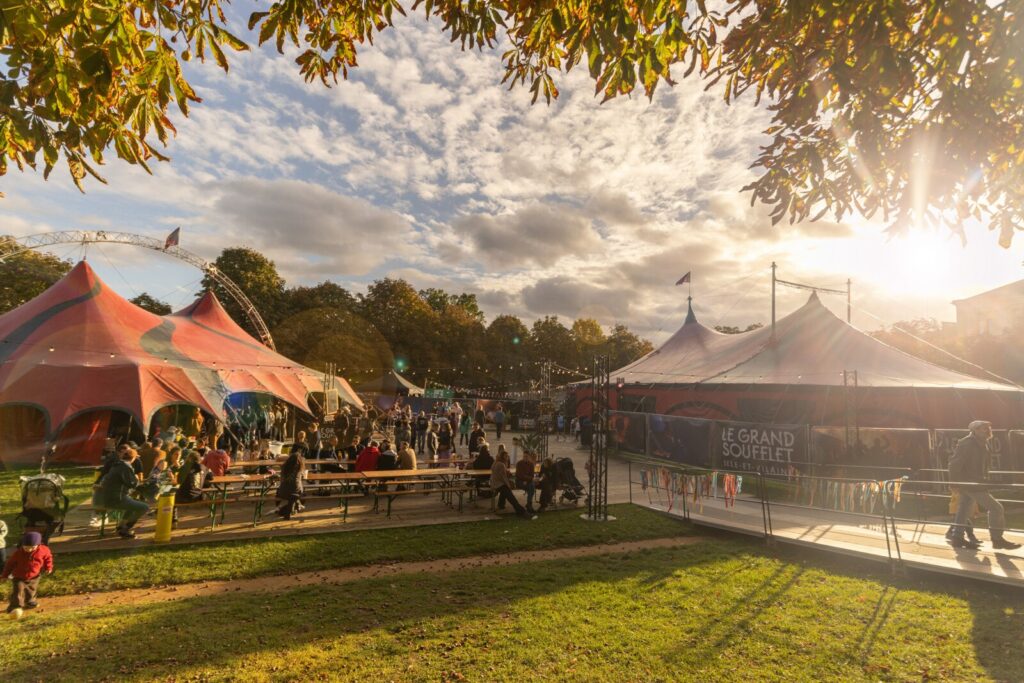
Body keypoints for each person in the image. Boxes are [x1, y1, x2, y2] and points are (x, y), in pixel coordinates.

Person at [948, 420, 1021, 550]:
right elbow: (954, 464)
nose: (987, 430)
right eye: (983, 428)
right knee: (996, 508)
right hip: (971, 483)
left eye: (988, 427)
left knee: (963, 509)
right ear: (975, 430)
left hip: (975, 482)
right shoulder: (967, 443)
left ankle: (957, 538)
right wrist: (954, 483)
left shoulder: (982, 442)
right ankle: (997, 539)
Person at [94, 448, 149, 539]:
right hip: (116, 499)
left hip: (106, 497)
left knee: (133, 504)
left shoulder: (117, 465)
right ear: (133, 458)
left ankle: (121, 526)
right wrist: (137, 479)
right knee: (144, 507)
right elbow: (132, 484)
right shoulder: (126, 467)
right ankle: (125, 529)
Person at [2, 531, 53, 615]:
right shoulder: (18, 553)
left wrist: (48, 567)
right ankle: (14, 607)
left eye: (32, 547)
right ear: (22, 545)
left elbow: (48, 558)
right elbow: (9, 565)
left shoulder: (44, 550)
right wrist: (5, 575)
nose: (29, 550)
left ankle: (30, 602)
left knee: (31, 590)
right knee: (18, 591)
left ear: (38, 544)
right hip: (19, 576)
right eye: (26, 547)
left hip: (34, 575)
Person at [491, 450, 529, 517]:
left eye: (507, 456)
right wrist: (509, 486)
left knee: (505, 491)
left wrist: (507, 473)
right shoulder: (501, 464)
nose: (507, 457)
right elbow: (504, 478)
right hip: (498, 484)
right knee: (510, 496)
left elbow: (499, 474)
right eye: (506, 456)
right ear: (502, 457)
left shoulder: (495, 462)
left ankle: (501, 505)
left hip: (494, 483)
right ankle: (521, 510)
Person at [274, 443, 306, 519]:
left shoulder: (284, 467)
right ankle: (293, 507)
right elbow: (301, 478)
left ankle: (285, 508)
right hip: (296, 492)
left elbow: (281, 480)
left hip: (283, 492)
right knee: (303, 493)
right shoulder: (300, 467)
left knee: (281, 490)